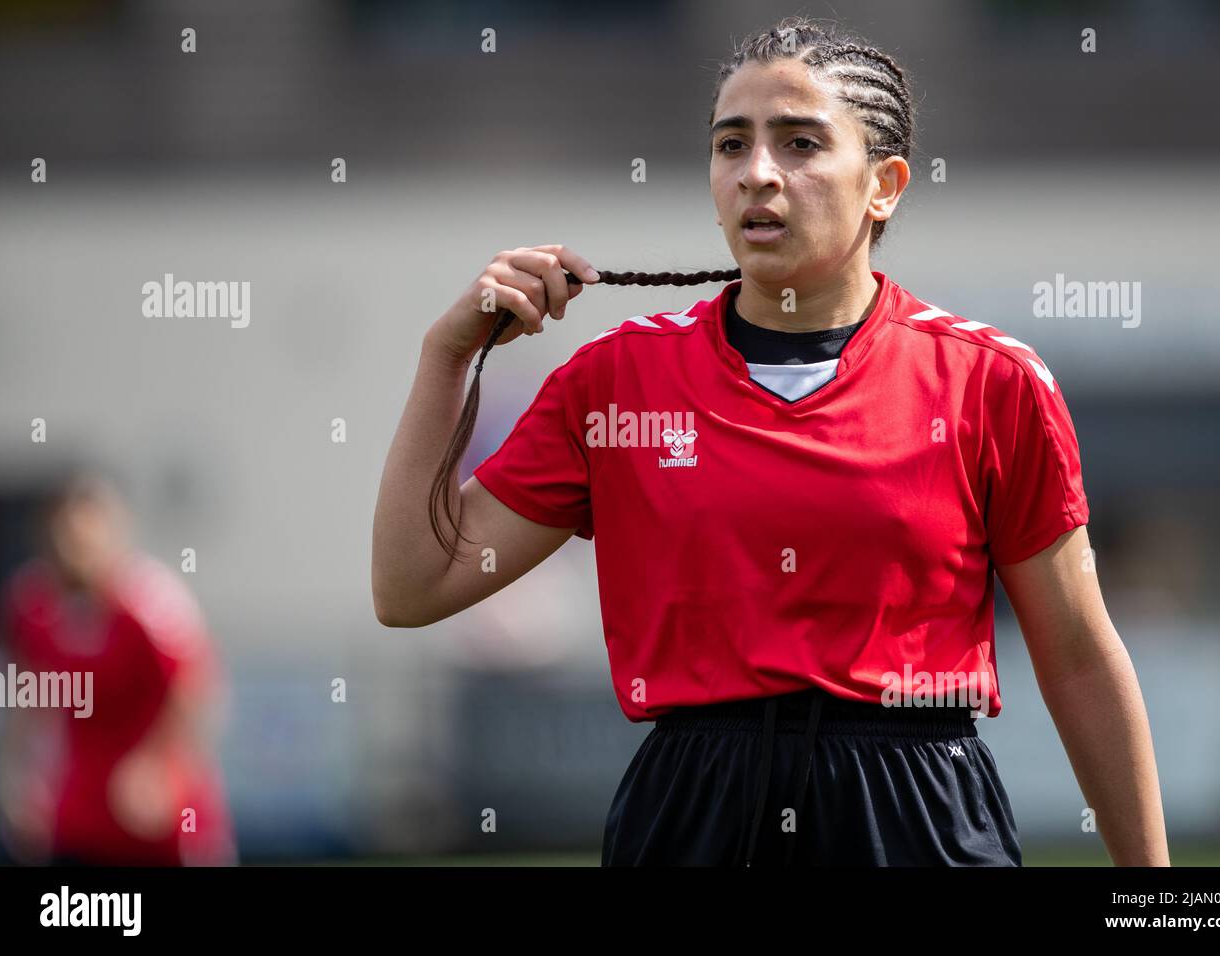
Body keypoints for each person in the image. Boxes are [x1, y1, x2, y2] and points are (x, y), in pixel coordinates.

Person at [372, 16, 1168, 866]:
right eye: (730, 145)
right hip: (691, 810)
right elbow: (413, 588)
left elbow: (1080, 660)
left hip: (918, 809)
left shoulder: (990, 381)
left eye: (800, 143)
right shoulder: (615, 382)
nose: (758, 174)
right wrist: (445, 356)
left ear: (884, 185)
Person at [0, 471, 236, 865]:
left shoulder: (152, 604)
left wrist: (159, 770)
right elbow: (27, 702)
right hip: (79, 817)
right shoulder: (31, 608)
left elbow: (198, 693)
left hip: (160, 822)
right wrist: (20, 782)